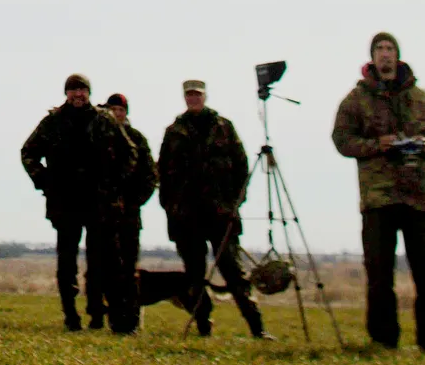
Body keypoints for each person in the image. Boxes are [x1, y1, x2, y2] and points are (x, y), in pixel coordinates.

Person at [332, 32, 425, 350]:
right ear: (371, 57)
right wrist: (376, 146)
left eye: (390, 49)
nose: (385, 54)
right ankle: (383, 340)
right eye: (380, 50)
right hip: (378, 198)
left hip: (418, 198)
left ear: (398, 55)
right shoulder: (356, 100)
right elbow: (342, 140)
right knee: (379, 275)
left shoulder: (420, 97)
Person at [21, 73, 133, 330]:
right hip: (65, 202)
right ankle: (70, 316)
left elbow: (129, 153)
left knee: (98, 263)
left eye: (82, 90)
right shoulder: (53, 122)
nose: (77, 94)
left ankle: (96, 316)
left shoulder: (104, 120)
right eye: (73, 90)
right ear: (66, 94)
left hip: (99, 203)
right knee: (66, 263)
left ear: (89, 92)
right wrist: (45, 180)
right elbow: (28, 152)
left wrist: (115, 186)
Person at [158, 80, 265, 338]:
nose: (193, 98)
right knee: (194, 276)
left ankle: (257, 327)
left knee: (233, 272)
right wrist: (171, 208)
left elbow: (241, 166)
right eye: (189, 95)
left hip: (220, 214)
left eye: (197, 94)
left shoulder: (224, 127)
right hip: (186, 216)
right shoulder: (174, 131)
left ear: (205, 96)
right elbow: (163, 173)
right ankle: (203, 326)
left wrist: (235, 202)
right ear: (185, 98)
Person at [101, 92, 156, 335]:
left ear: (126, 113)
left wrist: (134, 202)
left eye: (120, 110)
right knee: (108, 269)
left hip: (130, 216)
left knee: (130, 270)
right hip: (103, 214)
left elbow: (151, 177)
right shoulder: (99, 138)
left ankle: (132, 322)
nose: (116, 114)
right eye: (112, 110)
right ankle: (114, 321)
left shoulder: (137, 140)